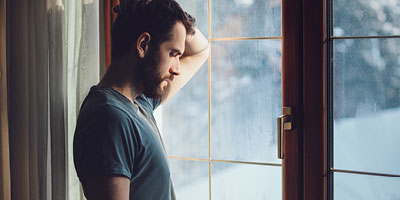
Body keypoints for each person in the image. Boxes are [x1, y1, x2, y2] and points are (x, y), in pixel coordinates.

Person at [73, 0, 209, 199]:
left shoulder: (140, 103)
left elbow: (201, 50)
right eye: (173, 54)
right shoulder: (109, 119)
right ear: (143, 45)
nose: (177, 68)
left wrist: (160, 9)